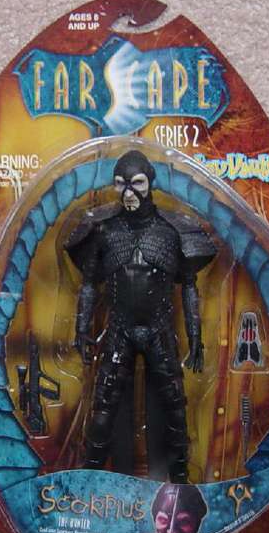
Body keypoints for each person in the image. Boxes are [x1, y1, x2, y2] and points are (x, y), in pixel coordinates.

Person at [65, 150, 216, 483]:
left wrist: (196, 338)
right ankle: (88, 480)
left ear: (150, 184)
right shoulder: (103, 231)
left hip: (159, 330)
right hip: (118, 330)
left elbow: (189, 286)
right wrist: (81, 329)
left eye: (137, 184)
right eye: (121, 184)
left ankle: (180, 481)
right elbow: (88, 284)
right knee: (103, 409)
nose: (129, 193)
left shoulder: (172, 231)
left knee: (175, 408)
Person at [107, 483, 208, 533]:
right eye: (163, 520)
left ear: (197, 522)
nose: (171, 531)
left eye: (184, 522)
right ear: (155, 519)